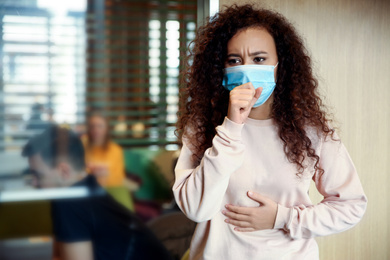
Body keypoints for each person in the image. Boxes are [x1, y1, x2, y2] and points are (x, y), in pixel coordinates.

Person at [173, 4, 367, 260]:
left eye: (259, 59)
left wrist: (282, 217)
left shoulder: (311, 130)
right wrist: (232, 126)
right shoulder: (203, 126)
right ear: (221, 69)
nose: (246, 69)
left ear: (280, 65)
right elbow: (196, 209)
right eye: (234, 60)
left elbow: (351, 206)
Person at [22, 125, 173, 260]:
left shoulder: (70, 203)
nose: (34, 183)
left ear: (64, 171)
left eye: (38, 175)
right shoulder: (88, 190)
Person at [82, 112, 135, 189]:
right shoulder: (82, 146)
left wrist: (105, 175)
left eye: (100, 126)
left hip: (110, 191)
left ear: (107, 128)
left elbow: (119, 179)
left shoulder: (116, 150)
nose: (96, 130)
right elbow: (77, 174)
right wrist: (92, 173)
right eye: (92, 126)